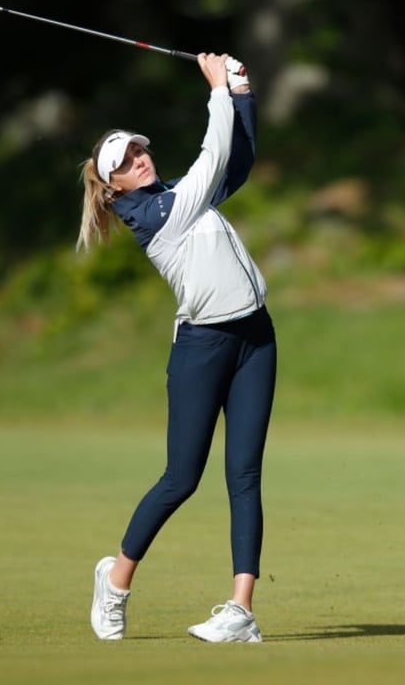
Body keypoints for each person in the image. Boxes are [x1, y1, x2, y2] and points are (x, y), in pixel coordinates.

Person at [78, 52, 275, 643]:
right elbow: (212, 155)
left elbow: (235, 159)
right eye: (126, 162)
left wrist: (241, 93)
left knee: (244, 475)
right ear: (112, 187)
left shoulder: (181, 194)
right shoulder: (154, 214)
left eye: (139, 151)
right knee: (181, 478)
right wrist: (215, 90)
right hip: (202, 349)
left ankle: (241, 611)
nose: (139, 160)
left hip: (255, 338)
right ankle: (115, 583)